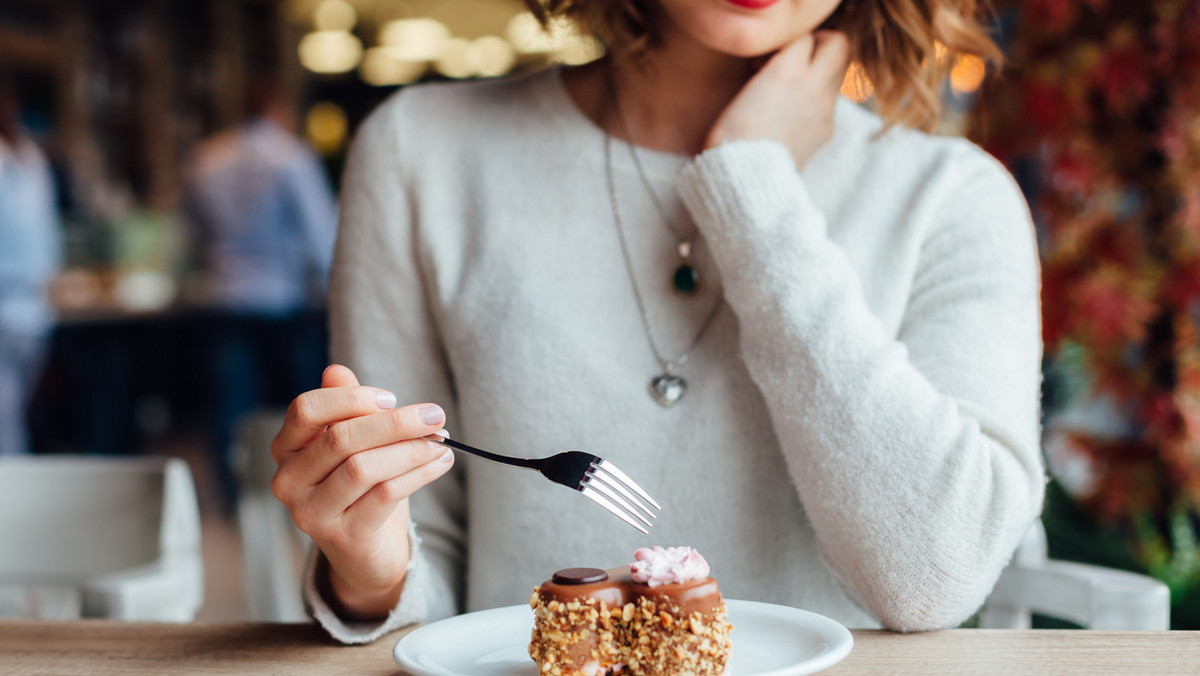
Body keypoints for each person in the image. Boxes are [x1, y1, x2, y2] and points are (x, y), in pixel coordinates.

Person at [270, 0, 1045, 643]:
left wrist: (752, 191)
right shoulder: (420, 155)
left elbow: (933, 576)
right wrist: (369, 567)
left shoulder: (954, 199)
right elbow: (422, 563)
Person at [184, 77, 337, 510]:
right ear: (276, 110)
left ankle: (232, 494)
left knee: (230, 401)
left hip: (227, 294)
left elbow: (194, 231)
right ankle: (308, 489)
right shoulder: (290, 156)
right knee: (301, 403)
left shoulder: (206, 157)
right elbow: (319, 233)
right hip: (283, 297)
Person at [0, 74, 61, 456]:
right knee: (6, 419)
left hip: (32, 305)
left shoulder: (32, 157)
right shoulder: (22, 157)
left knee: (15, 414)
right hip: (13, 304)